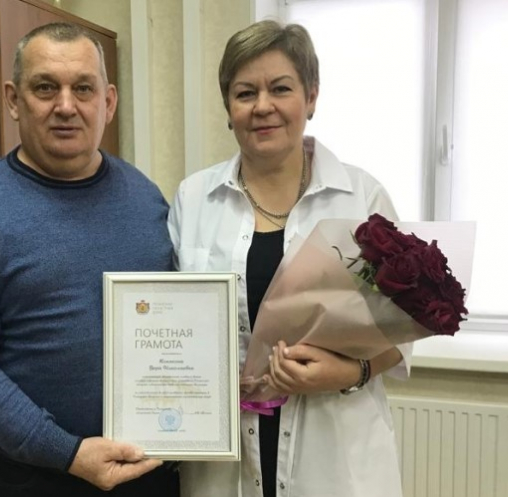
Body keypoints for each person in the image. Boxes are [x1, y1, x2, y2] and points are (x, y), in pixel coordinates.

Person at [0, 22, 178, 497]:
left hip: (151, 468)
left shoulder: (145, 197)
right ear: (14, 99)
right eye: (45, 88)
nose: (65, 106)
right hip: (38, 477)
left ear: (108, 102)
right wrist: (65, 451)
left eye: (83, 88)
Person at [168, 20, 410, 497]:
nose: (263, 106)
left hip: (334, 454)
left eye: (280, 88)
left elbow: (403, 327)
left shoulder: (362, 198)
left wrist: (351, 372)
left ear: (311, 96)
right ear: (228, 107)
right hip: (224, 456)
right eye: (245, 93)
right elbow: (173, 323)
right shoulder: (193, 199)